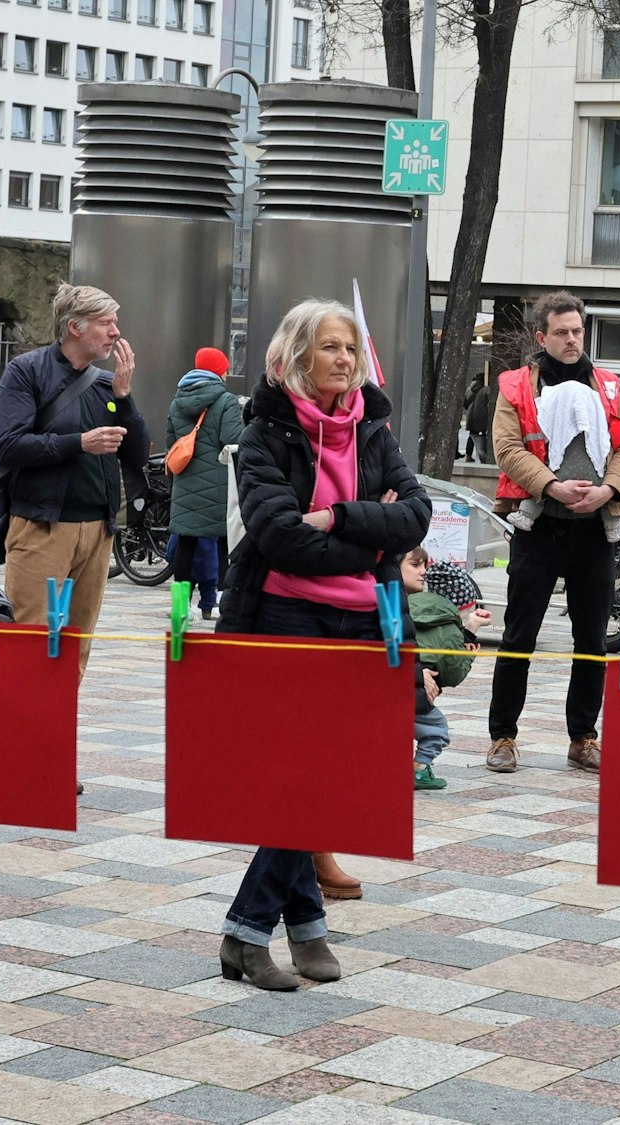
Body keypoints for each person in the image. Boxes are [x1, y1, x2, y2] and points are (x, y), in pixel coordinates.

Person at [213, 298, 431, 989]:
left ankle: (292, 927)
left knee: (331, 778)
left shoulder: (373, 426)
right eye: (332, 347)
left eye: (350, 348)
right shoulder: (264, 433)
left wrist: (337, 516)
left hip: (364, 619)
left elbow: (419, 513)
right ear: (297, 356)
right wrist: (373, 538)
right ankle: (255, 932)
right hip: (286, 618)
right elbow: (276, 534)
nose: (346, 359)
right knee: (301, 778)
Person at [485, 291, 620, 774]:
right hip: (538, 528)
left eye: (577, 331)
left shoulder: (610, 386)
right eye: (561, 332)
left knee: (592, 640)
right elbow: (508, 449)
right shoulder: (516, 386)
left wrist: (609, 489)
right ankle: (502, 738)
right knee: (519, 636)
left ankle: (583, 738)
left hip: (595, 530)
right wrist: (551, 486)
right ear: (542, 337)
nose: (572, 339)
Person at [0, 283, 150, 678]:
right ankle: (25, 731)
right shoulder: (26, 371)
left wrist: (125, 397)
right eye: (106, 323)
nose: (116, 332)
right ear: (75, 327)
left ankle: (58, 732)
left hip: (98, 531)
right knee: (32, 642)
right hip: (43, 527)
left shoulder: (104, 384)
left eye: (115, 322)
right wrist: (79, 443)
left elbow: (139, 455)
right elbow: (10, 446)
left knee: (77, 646)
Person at [167, 346, 244, 621]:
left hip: (185, 482)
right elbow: (232, 439)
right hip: (220, 482)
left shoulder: (177, 400)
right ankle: (222, 602)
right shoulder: (226, 401)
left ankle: (180, 606)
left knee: (185, 545)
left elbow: (170, 443)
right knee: (224, 542)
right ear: (220, 370)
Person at [403, 548, 486, 791]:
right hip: (417, 697)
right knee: (437, 730)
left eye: (424, 567)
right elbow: (453, 673)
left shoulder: (403, 606)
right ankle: (419, 769)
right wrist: (468, 651)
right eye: (416, 566)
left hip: (394, 691)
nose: (423, 573)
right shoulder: (447, 625)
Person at [463, 374, 495, 464]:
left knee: (472, 435)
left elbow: (465, 402)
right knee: (483, 435)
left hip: (471, 415)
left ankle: (468, 455)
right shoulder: (486, 389)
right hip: (481, 416)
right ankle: (482, 454)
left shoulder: (469, 389)